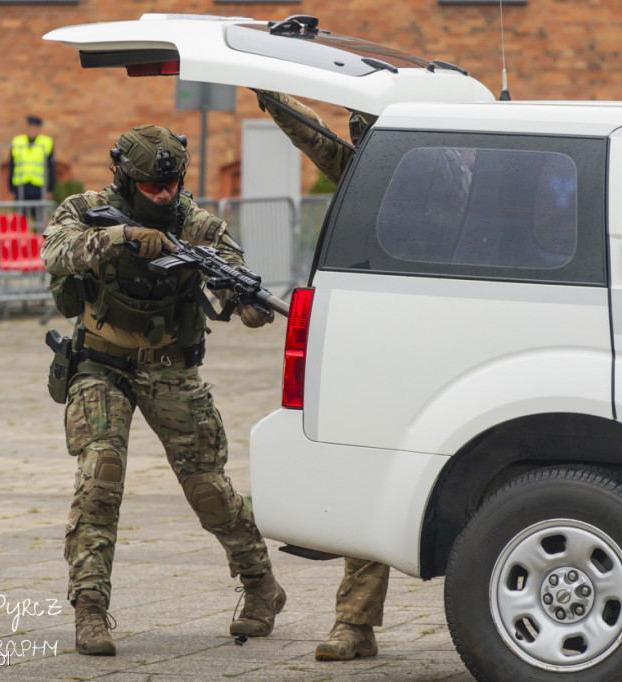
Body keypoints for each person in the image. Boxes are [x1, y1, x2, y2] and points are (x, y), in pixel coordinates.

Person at [40, 124, 285, 656]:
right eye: (152, 187)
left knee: (207, 489)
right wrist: (121, 238)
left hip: (171, 366)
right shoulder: (86, 208)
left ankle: (261, 585)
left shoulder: (199, 226)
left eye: (171, 185)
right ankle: (90, 609)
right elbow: (56, 252)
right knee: (99, 475)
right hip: (100, 363)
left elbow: (234, 275)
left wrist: (247, 304)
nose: (164, 194)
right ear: (126, 181)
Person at [256, 90, 384, 662]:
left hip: (430, 339)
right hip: (365, 339)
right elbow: (315, 137)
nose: (355, 140)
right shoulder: (363, 168)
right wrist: (273, 98)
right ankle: (353, 623)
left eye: (365, 129)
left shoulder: (443, 172)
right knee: (365, 476)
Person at [10, 115, 56, 212]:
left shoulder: (46, 142)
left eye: (35, 127)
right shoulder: (17, 142)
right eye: (31, 127)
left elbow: (51, 168)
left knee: (39, 219)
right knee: (21, 220)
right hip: (20, 185)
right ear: (27, 128)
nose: (33, 130)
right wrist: (11, 189)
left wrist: (50, 189)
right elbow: (12, 166)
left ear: (39, 129)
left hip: (39, 186)